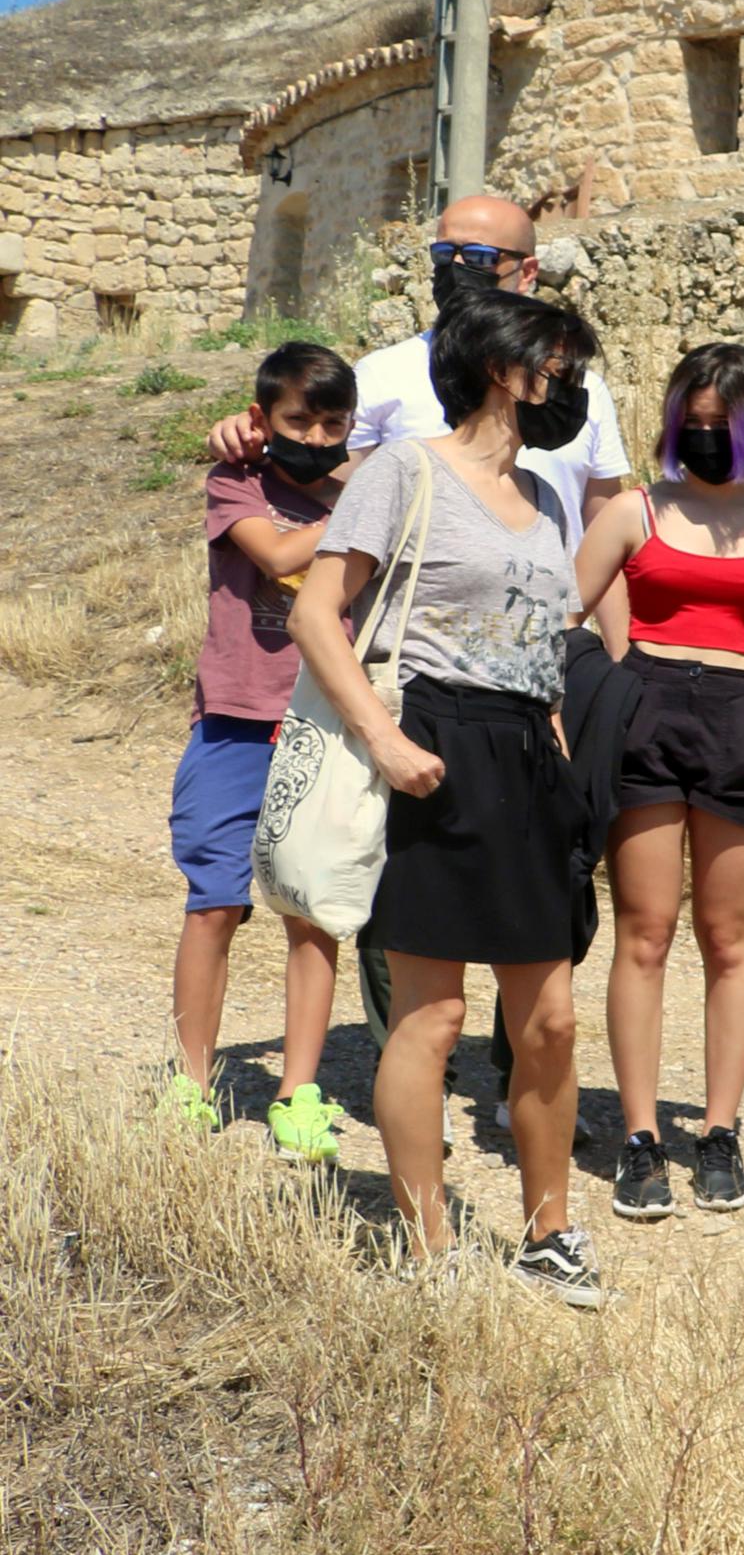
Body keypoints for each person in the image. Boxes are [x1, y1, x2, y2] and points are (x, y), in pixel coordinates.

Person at [213, 195, 625, 1072]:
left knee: (543, 982)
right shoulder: (393, 378)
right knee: (417, 982)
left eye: (476, 252)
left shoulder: (568, 410)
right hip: (420, 699)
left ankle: (519, 1105)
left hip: (526, 701)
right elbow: (312, 450)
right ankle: (412, 1102)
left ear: (527, 263)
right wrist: (244, 440)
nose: (456, 266)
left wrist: (604, 671)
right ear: (496, 368)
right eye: (447, 250)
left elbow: (600, 520)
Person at [287, 273, 606, 1304]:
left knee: (549, 1019)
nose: (570, 383)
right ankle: (428, 1244)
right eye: (555, 364)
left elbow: (539, 636)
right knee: (431, 1017)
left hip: (525, 754)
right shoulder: (402, 469)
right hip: (431, 739)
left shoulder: (551, 495)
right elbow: (315, 614)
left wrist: (560, 747)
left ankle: (548, 1229)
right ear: (498, 369)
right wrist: (383, 738)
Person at [575, 343, 744, 1219]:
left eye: (719, 425)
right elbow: (558, 616)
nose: (702, 437)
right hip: (643, 711)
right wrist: (576, 708)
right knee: (644, 932)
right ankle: (641, 1138)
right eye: (690, 422)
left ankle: (719, 1131)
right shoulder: (633, 512)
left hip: (740, 719)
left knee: (730, 938)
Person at [166, 339, 357, 1161]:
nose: (315, 437)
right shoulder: (235, 480)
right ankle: (190, 1080)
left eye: (333, 423)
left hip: (325, 721)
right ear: (260, 419)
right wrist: (366, 499)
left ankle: (298, 1093)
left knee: (312, 913)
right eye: (297, 421)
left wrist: (373, 479)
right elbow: (277, 554)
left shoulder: (366, 482)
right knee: (213, 903)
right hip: (236, 719)